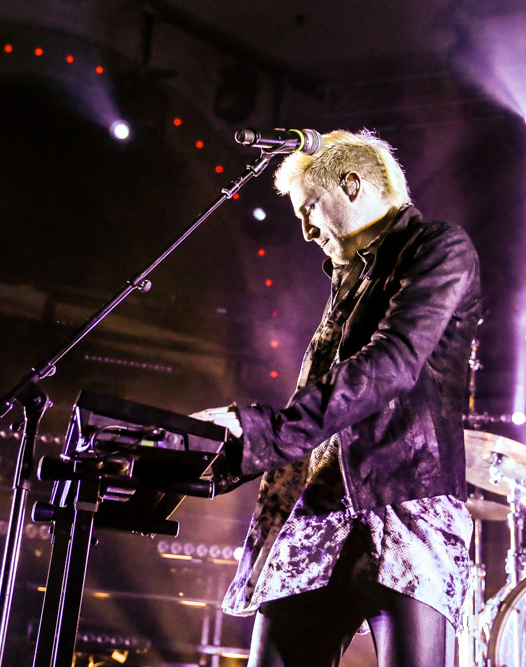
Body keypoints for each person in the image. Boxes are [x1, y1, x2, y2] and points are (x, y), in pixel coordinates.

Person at [193, 129, 482, 667]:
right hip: (320, 506)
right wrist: (220, 447)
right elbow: (328, 396)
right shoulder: (350, 276)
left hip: (405, 505)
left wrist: (268, 432)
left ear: (351, 184)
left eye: (309, 209)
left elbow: (391, 364)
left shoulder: (439, 248)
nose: (305, 231)